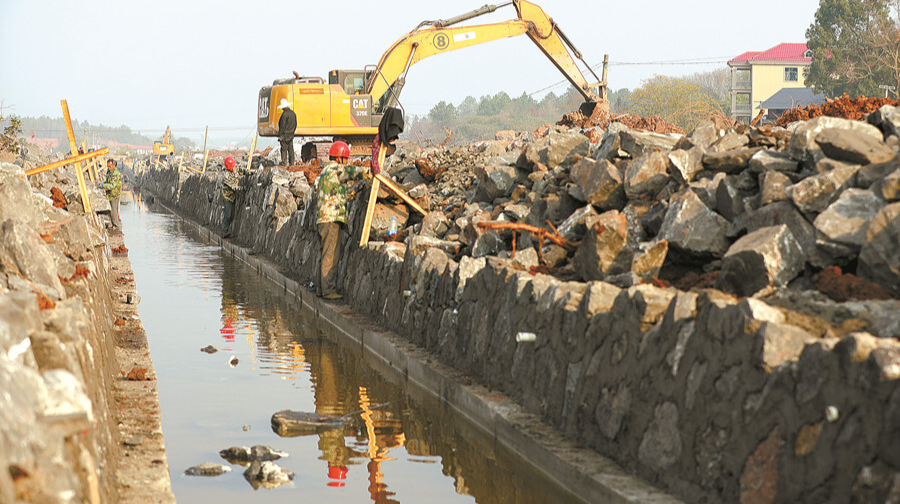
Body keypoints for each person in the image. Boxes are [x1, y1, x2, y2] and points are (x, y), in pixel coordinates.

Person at [315, 141, 367, 299]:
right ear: (340, 159)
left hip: (323, 218)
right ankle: (328, 291)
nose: (347, 163)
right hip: (331, 219)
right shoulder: (336, 169)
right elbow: (355, 172)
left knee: (324, 254)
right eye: (346, 159)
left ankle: (320, 288)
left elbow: (337, 194)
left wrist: (355, 191)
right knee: (331, 254)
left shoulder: (326, 172)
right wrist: (372, 172)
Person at [100, 159, 123, 231]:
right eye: (108, 166)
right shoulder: (110, 172)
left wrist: (103, 186)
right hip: (110, 194)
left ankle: (116, 226)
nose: (108, 168)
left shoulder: (115, 174)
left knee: (113, 210)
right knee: (111, 210)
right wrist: (103, 184)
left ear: (114, 165)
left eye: (110, 166)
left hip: (114, 194)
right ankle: (113, 223)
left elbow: (112, 185)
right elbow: (107, 181)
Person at [222, 156, 240, 238]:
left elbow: (241, 171)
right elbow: (234, 187)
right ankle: (224, 231)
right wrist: (242, 188)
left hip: (233, 196)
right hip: (228, 197)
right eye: (233, 166)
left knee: (232, 216)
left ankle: (228, 230)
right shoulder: (226, 176)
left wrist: (248, 173)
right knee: (228, 215)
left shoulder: (234, 170)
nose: (234, 167)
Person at [277, 98, 297, 166]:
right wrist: (292, 132)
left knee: (284, 149)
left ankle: (284, 162)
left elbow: (282, 126)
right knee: (291, 149)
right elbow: (295, 124)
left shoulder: (284, 114)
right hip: (291, 134)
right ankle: (292, 163)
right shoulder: (293, 113)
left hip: (284, 135)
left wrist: (280, 136)